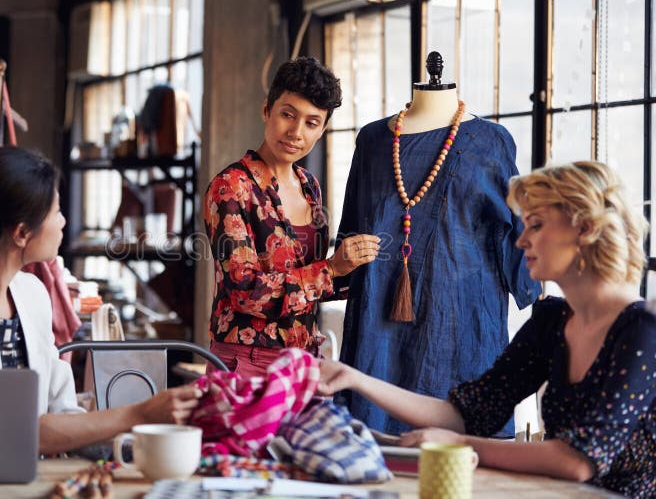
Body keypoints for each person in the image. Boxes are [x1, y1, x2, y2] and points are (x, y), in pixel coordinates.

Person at [318, 161, 655, 497]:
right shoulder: (553, 321)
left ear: (584, 227)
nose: (521, 240)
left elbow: (579, 461)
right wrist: (353, 378)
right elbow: (467, 413)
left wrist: (461, 445)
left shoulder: (643, 330)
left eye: (535, 225)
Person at [0, 147, 201, 455]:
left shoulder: (31, 293)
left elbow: (63, 412)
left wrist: (140, 439)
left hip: (22, 477)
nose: (64, 222)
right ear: (22, 233)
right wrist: (139, 415)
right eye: (57, 211)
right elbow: (9, 430)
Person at [335, 64, 540, 435]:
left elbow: (516, 235)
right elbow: (351, 234)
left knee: (463, 464)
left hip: (459, 327)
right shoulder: (373, 141)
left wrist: (534, 283)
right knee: (378, 459)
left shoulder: (490, 142)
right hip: (378, 329)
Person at [203, 56, 380, 376]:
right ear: (266, 110)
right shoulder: (232, 186)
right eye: (288, 114)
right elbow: (246, 293)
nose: (296, 132)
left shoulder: (309, 186)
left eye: (312, 122)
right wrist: (331, 268)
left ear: (323, 129)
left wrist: (357, 270)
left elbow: (309, 284)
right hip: (246, 361)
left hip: (302, 361)